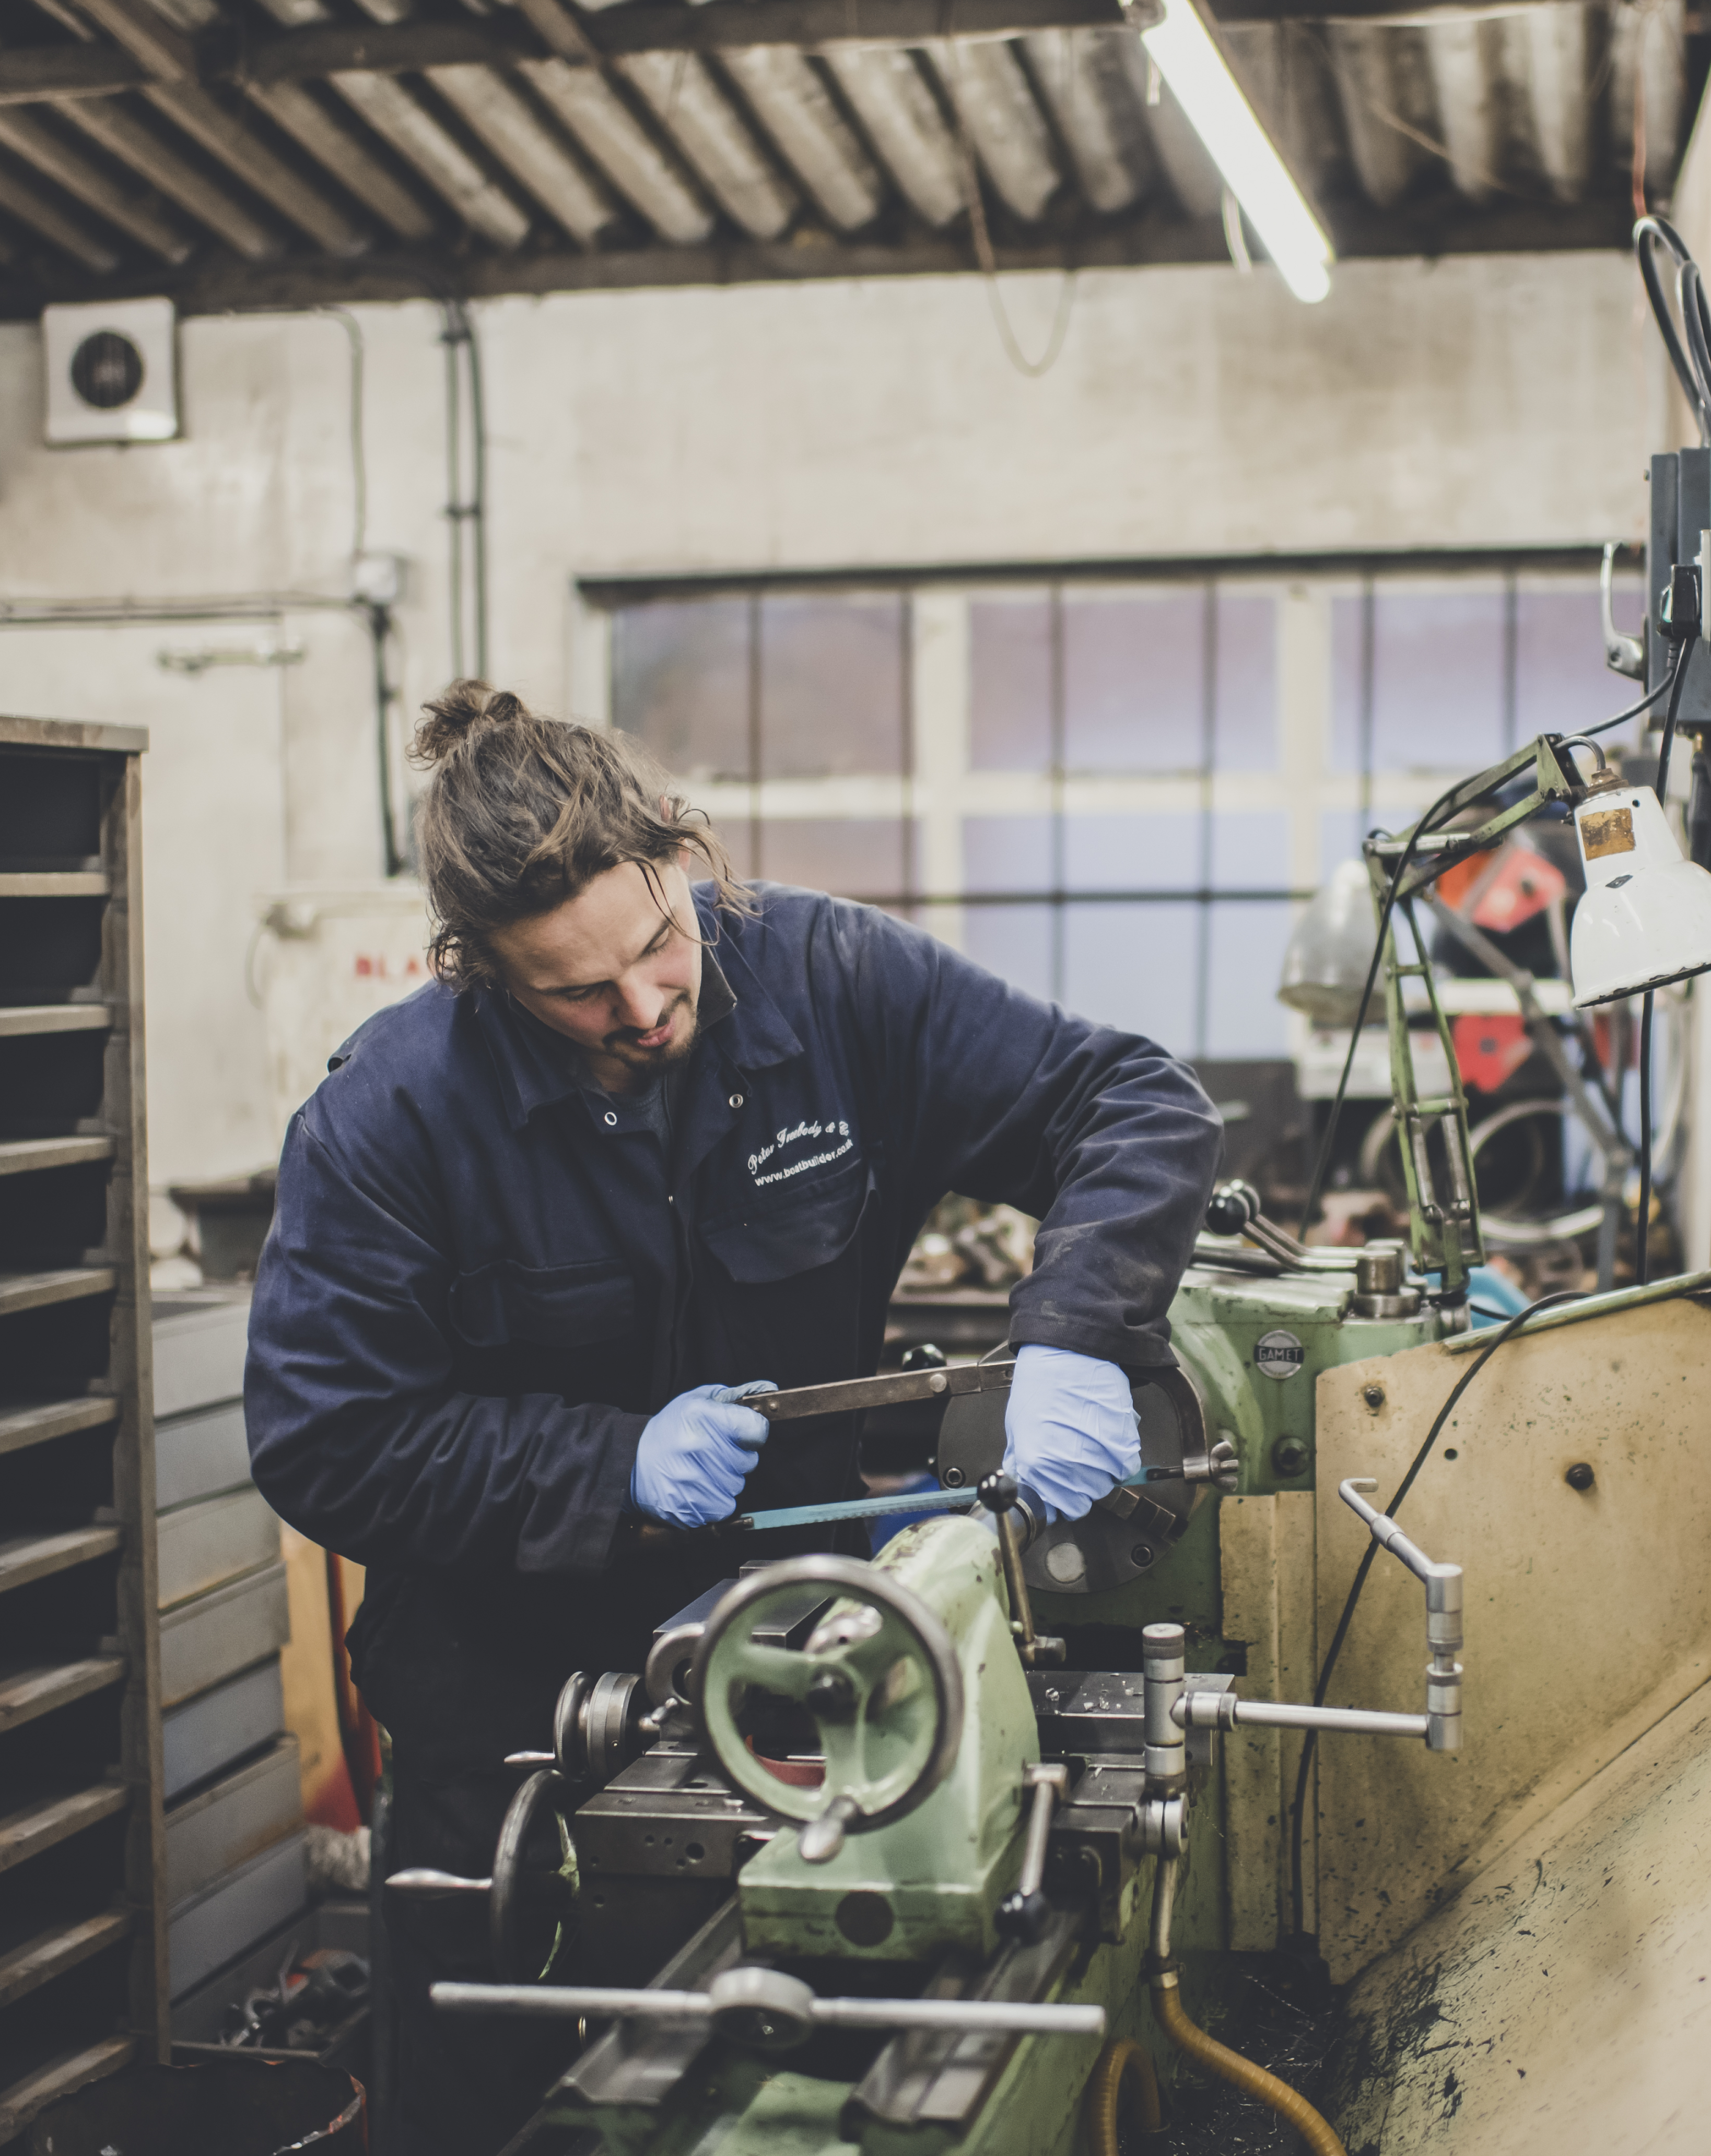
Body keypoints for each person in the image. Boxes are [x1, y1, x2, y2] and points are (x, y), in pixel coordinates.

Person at [244, 682, 1220, 2153]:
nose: (643, 1010)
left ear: (683, 859)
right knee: (494, 2108)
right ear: (478, 971)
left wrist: (1081, 1332)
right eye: (577, 994)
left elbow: (1131, 1101)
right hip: (511, 1735)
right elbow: (325, 1436)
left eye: (656, 945)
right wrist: (606, 1462)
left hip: (807, 1689)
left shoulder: (835, 985)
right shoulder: (394, 1118)